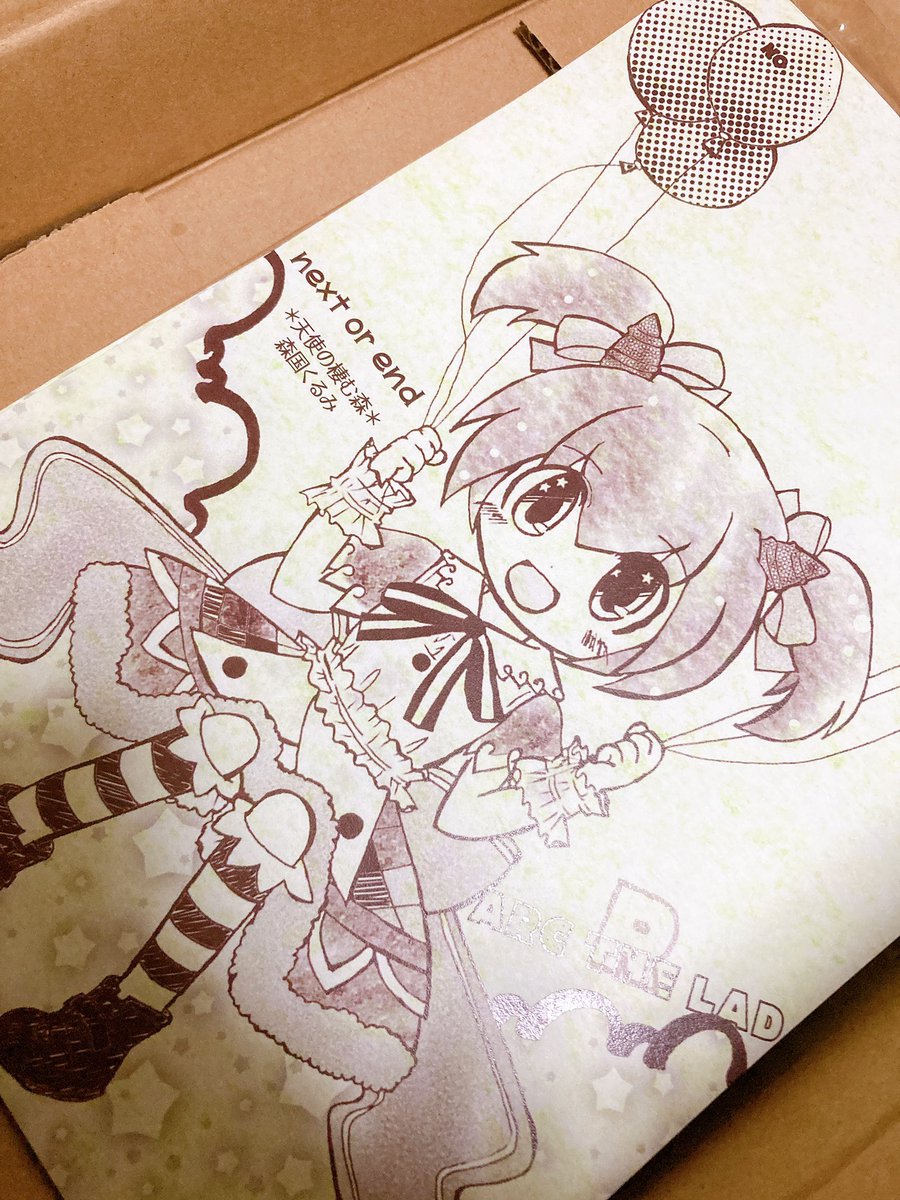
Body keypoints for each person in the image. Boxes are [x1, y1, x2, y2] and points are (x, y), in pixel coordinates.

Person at [0, 245, 871, 1198]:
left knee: (273, 826)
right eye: (546, 500)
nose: (547, 568)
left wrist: (572, 781)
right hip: (297, 688)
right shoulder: (426, 563)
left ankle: (112, 1021)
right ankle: (21, 823)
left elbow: (466, 813)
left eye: (624, 590)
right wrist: (362, 499)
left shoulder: (533, 707)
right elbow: (304, 583)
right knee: (219, 740)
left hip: (353, 786)